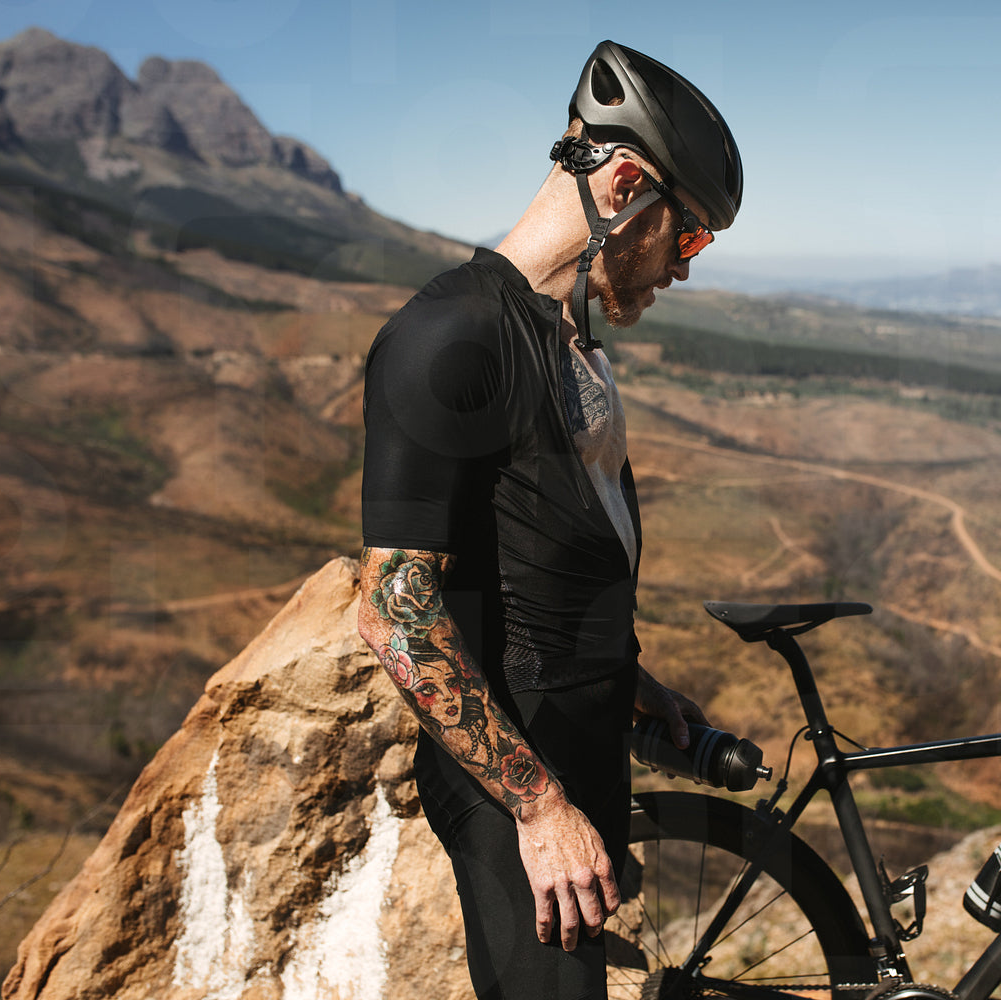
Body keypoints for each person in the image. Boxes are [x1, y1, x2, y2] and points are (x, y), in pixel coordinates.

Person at [356, 40, 743, 998]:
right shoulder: (450, 335)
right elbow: (394, 608)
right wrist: (537, 810)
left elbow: (534, 553)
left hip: (582, 752)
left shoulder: (565, 334)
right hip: (516, 787)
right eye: (689, 237)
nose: (683, 270)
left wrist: (630, 679)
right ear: (625, 185)